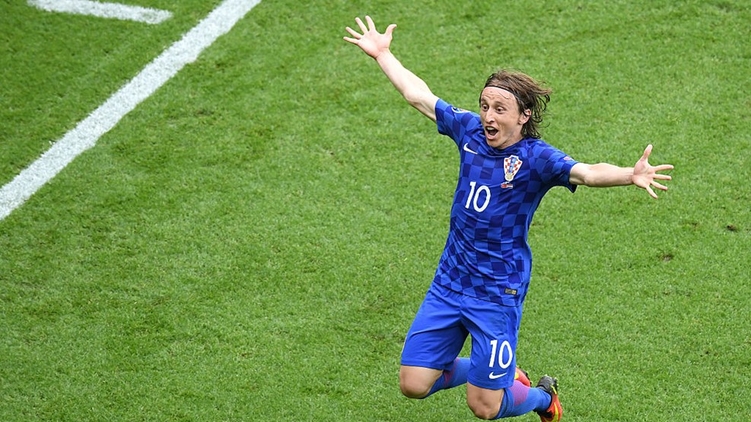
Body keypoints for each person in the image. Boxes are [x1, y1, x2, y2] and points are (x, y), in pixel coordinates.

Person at [343, 16, 673, 421]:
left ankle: (543, 398)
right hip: (450, 282)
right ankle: (499, 373)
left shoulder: (537, 158)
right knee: (413, 384)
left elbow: (587, 173)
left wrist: (629, 174)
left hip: (497, 292)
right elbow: (419, 96)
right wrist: (383, 55)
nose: (488, 117)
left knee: (484, 407)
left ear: (523, 116)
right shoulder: (469, 132)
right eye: (485, 106)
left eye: (500, 109)